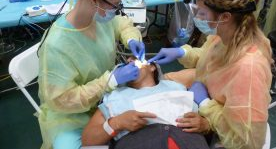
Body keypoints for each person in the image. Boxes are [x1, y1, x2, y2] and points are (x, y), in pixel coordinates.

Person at [37, 0, 146, 149]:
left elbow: (121, 24)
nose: (117, 10)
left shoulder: (98, 17)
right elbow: (61, 101)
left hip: (104, 100)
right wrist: (109, 81)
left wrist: (131, 38)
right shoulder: (57, 45)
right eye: (116, 4)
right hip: (71, 116)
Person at [149, 0, 273, 149]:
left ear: (225, 17)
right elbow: (209, 56)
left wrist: (207, 109)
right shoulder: (225, 34)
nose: (197, 17)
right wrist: (181, 52)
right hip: (213, 99)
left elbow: (248, 142)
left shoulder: (249, 68)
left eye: (201, 13)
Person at [82, 60, 210, 149]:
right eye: (127, 64)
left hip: (189, 141)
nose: (130, 63)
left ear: (152, 67)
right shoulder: (116, 97)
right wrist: (117, 123)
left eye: (136, 60)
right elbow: (88, 139)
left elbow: (206, 74)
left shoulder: (177, 87)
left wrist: (205, 124)